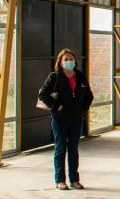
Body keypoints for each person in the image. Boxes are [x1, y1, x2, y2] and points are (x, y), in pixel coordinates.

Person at [39, 48, 94, 190]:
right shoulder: (54, 77)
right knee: (60, 148)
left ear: (75, 61)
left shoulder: (81, 76)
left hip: (76, 118)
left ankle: (74, 180)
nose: (69, 62)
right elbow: (43, 95)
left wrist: (83, 109)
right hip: (60, 119)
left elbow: (89, 96)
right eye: (66, 59)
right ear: (60, 62)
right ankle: (60, 180)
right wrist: (56, 107)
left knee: (74, 149)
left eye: (71, 59)